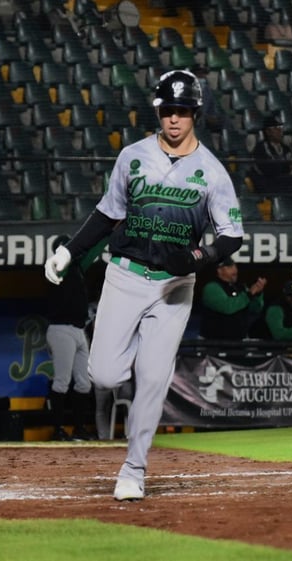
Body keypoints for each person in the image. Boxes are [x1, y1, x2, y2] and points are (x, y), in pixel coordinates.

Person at [44, 69, 243, 501]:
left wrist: (199, 257)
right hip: (125, 275)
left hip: (174, 286)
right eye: (168, 110)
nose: (174, 119)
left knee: (153, 379)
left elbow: (232, 235)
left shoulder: (211, 172)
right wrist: (69, 252)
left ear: (195, 114)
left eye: (182, 111)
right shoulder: (132, 156)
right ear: (158, 111)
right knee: (104, 374)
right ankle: (137, 350)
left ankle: (133, 469)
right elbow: (106, 214)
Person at [45, 234, 97, 442]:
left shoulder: (77, 268)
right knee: (62, 381)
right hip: (60, 329)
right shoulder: (58, 267)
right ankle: (57, 429)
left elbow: (91, 252)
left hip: (78, 330)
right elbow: (66, 260)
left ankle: (79, 428)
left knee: (84, 383)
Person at [199, 256, 267, 340]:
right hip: (213, 343)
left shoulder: (240, 287)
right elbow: (227, 307)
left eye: (235, 266)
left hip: (238, 342)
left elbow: (255, 309)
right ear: (219, 270)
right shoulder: (211, 288)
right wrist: (249, 294)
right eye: (230, 267)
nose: (234, 270)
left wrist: (257, 294)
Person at [248, 115, 292, 196]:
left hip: (284, 179)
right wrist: (288, 167)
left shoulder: (287, 148)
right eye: (276, 128)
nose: (280, 130)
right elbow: (270, 170)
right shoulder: (261, 148)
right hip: (267, 182)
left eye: (280, 127)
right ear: (268, 131)